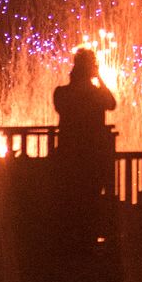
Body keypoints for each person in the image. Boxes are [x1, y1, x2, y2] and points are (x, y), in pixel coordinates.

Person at [52, 48, 118, 243]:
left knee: (72, 199)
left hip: (69, 155)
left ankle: (72, 242)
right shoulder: (96, 94)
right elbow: (112, 104)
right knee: (91, 199)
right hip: (93, 156)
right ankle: (87, 241)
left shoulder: (62, 92)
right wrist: (99, 79)